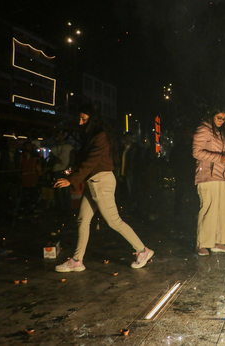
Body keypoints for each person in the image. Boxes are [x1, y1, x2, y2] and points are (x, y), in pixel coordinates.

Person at [54, 104, 153, 272]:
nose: (80, 122)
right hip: (92, 182)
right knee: (83, 220)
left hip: (101, 182)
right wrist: (73, 171)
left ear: (93, 119)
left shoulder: (100, 136)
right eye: (80, 118)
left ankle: (143, 250)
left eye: (84, 119)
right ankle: (77, 260)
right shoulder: (92, 135)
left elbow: (92, 161)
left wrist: (71, 179)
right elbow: (86, 160)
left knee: (114, 221)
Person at [192, 109, 225, 256]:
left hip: (222, 176)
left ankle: (219, 242)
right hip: (207, 176)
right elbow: (196, 152)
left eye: (224, 118)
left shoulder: (219, 132)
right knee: (209, 209)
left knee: (223, 210)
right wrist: (219, 158)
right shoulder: (204, 129)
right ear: (211, 115)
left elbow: (220, 154)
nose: (221, 121)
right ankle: (203, 244)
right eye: (219, 117)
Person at [51, 131, 75, 220]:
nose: (59, 137)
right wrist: (54, 160)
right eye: (58, 136)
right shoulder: (54, 148)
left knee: (66, 190)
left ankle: (67, 209)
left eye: (60, 135)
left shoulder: (69, 146)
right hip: (57, 170)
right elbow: (51, 159)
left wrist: (69, 168)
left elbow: (73, 158)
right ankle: (62, 209)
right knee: (59, 191)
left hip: (65, 170)